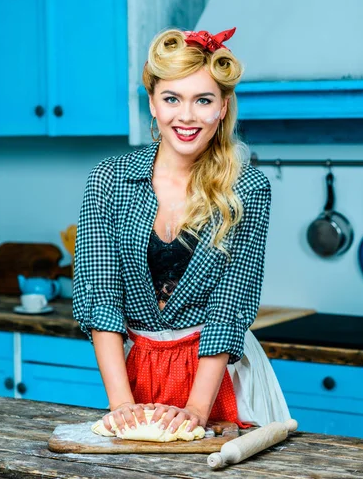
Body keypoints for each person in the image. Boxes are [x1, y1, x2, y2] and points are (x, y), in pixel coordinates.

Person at [73, 27, 290, 437]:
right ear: (153, 104)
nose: (186, 116)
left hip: (218, 376)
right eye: (172, 99)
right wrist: (122, 405)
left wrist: (195, 407)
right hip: (136, 370)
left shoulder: (247, 188)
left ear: (222, 108)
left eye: (203, 100)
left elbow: (230, 304)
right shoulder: (108, 180)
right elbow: (100, 295)